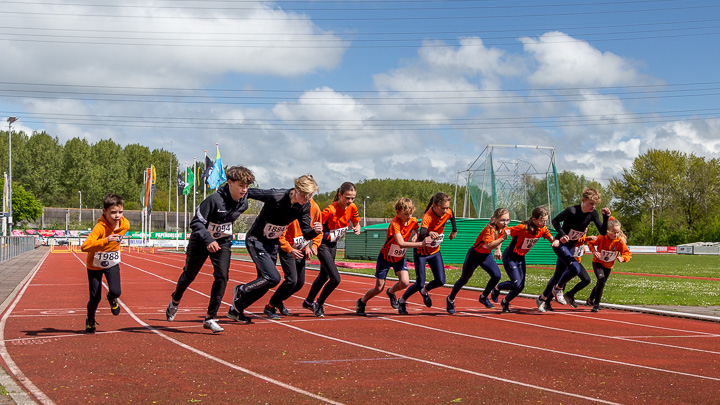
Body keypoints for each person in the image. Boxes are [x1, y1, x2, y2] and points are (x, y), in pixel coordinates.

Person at [165, 166, 255, 333]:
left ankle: (210, 317)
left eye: (247, 186)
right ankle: (175, 300)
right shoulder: (213, 200)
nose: (245, 189)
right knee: (189, 275)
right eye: (241, 185)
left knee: (222, 276)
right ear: (230, 183)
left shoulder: (244, 203)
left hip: (223, 242)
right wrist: (208, 238)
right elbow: (196, 223)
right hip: (201, 241)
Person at [227, 175, 322, 323]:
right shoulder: (276, 195)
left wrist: (315, 231)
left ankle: (236, 309)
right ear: (296, 189)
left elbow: (306, 233)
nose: (307, 198)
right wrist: (236, 208)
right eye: (305, 195)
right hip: (256, 240)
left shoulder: (304, 206)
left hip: (272, 244)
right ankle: (241, 289)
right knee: (273, 277)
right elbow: (248, 192)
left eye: (310, 195)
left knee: (266, 283)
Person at [356, 198, 431, 316]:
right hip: (385, 257)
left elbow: (416, 228)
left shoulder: (413, 220)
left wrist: (415, 234)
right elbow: (401, 243)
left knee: (405, 282)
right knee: (379, 287)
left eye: (411, 213)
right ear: (398, 212)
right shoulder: (394, 223)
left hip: (399, 258)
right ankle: (362, 301)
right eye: (406, 214)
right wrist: (421, 244)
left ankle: (391, 292)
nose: (409, 216)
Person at [539, 187, 611, 309]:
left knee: (558, 275)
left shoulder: (593, 213)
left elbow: (603, 232)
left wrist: (606, 217)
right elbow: (555, 221)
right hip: (560, 244)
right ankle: (558, 289)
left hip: (571, 247)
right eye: (590, 204)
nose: (593, 206)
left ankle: (543, 299)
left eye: (595, 204)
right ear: (583, 200)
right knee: (575, 268)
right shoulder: (572, 211)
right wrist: (563, 235)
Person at [303, 182, 361, 317]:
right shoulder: (330, 210)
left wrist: (357, 227)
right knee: (335, 279)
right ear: (340, 195)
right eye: (347, 198)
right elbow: (314, 227)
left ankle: (308, 301)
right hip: (323, 244)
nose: (350, 201)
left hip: (333, 245)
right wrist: (312, 245)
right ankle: (319, 303)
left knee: (324, 276)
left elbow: (356, 221)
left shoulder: (352, 207)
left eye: (353, 198)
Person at [490, 206, 558, 313]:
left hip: (520, 258)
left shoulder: (543, 229)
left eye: (546, 221)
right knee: (516, 283)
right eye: (542, 221)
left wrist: (556, 242)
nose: (544, 223)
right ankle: (497, 288)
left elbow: (552, 240)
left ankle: (505, 302)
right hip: (510, 257)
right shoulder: (522, 228)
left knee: (520, 286)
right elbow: (503, 233)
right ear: (534, 219)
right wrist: (497, 249)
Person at [398, 192, 457, 315]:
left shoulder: (448, 212)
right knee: (419, 283)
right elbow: (422, 233)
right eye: (443, 208)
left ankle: (424, 291)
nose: (445, 211)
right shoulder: (428, 216)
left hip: (435, 251)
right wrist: (430, 233)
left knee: (441, 280)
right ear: (435, 206)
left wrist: (454, 230)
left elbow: (452, 216)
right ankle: (402, 300)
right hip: (421, 253)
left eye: (447, 208)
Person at [263, 197, 322, 319]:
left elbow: (318, 230)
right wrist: (290, 250)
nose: (307, 197)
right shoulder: (290, 208)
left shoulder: (315, 208)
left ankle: (278, 300)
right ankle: (270, 306)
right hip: (288, 249)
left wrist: (312, 245)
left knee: (299, 283)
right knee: (291, 280)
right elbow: (280, 236)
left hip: (300, 248)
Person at [80, 194, 130, 333]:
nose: (117, 216)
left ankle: (112, 298)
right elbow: (85, 247)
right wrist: (106, 240)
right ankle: (90, 320)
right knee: (95, 297)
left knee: (116, 291)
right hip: (94, 265)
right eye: (113, 212)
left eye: (120, 212)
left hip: (112, 262)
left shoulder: (125, 224)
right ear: (104, 212)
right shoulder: (100, 227)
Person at [446, 208, 510, 315]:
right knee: (464, 279)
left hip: (486, 255)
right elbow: (488, 245)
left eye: (507, 220)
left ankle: (484, 297)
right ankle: (450, 299)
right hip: (474, 255)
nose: (505, 223)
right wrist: (503, 239)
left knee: (497, 275)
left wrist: (498, 249)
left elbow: (499, 238)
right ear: (494, 219)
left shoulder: (503, 228)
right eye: (502, 220)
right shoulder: (489, 229)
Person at [536, 230, 596, 312]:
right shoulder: (573, 232)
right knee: (559, 281)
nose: (584, 229)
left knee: (586, 279)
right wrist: (586, 239)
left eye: (586, 228)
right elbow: (575, 242)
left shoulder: (583, 234)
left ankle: (570, 294)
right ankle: (546, 300)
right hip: (566, 260)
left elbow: (581, 244)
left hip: (576, 261)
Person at [586, 218, 631, 312]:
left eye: (617, 232)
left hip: (608, 266)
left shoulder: (619, 242)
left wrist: (622, 258)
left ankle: (590, 300)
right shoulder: (601, 238)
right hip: (598, 263)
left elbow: (627, 253)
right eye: (613, 232)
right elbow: (590, 242)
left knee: (600, 283)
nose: (616, 235)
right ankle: (596, 304)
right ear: (608, 231)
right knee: (601, 280)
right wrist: (594, 251)